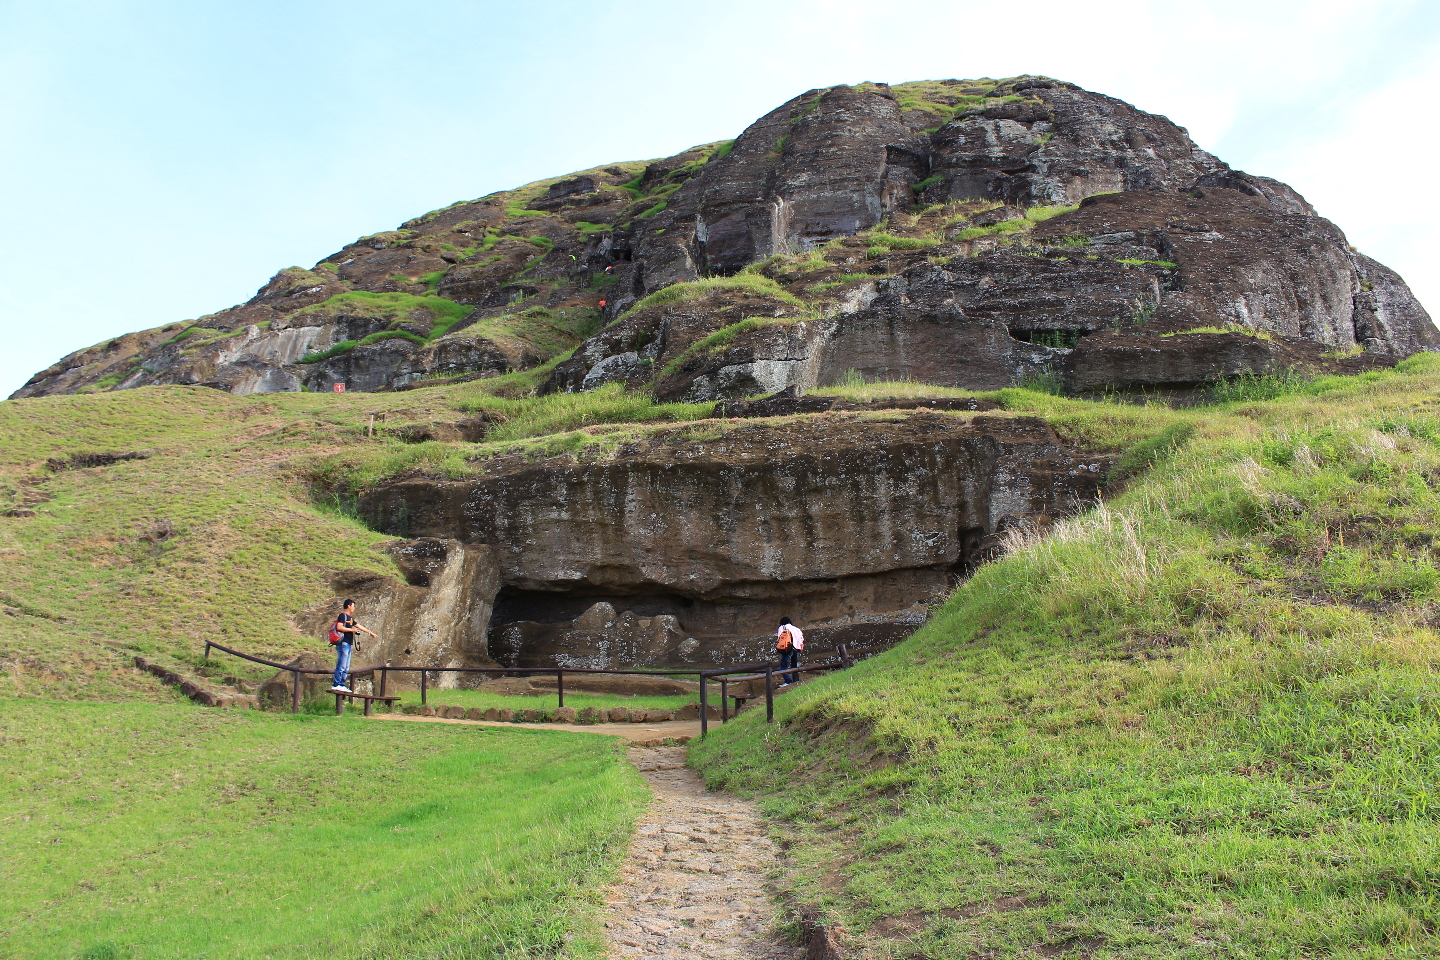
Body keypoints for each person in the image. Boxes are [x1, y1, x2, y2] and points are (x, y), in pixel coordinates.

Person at [331, 599, 376, 693]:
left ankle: (342, 684)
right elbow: (339, 627)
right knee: (342, 664)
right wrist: (352, 630)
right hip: (343, 642)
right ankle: (336, 684)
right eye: (353, 606)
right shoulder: (342, 616)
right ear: (348, 606)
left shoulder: (350, 618)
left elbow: (359, 626)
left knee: (346, 666)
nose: (354, 608)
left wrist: (369, 632)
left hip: (348, 643)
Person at [776, 617, 803, 685]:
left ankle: (788, 681)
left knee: (783, 667)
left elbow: (780, 638)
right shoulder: (797, 629)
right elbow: (801, 639)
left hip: (788, 648)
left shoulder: (783, 627)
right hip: (797, 649)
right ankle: (795, 681)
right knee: (794, 666)